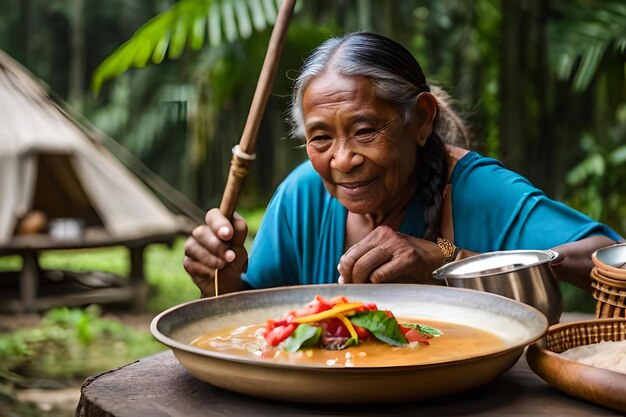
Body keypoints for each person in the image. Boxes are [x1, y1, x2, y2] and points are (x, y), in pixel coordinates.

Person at [183, 31, 623, 297]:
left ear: (422, 120)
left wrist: (449, 261)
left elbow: (614, 266)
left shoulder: (477, 190)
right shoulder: (303, 195)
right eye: (321, 138)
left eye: (365, 131)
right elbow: (256, 323)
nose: (343, 159)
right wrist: (220, 281)